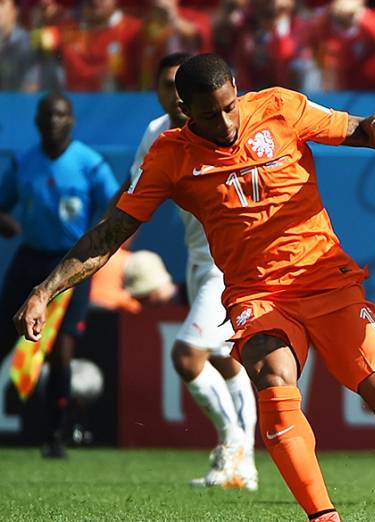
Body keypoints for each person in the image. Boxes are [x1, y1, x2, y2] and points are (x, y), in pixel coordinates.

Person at [14, 53, 375, 522]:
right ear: (184, 109)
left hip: (325, 278)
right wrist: (44, 289)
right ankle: (323, 517)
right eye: (208, 114)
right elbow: (108, 234)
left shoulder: (280, 106)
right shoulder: (169, 155)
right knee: (273, 381)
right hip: (255, 295)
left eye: (229, 106)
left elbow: (354, 128)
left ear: (237, 89)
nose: (224, 122)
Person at [126, 51, 259, 490]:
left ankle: (234, 442)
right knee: (224, 358)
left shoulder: (225, 128)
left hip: (228, 264)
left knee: (187, 356)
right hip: (197, 260)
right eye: (165, 86)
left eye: (175, 85)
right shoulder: (156, 135)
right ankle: (245, 466)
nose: (173, 96)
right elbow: (134, 198)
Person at [0, 92, 118, 458]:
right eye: (46, 116)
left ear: (71, 120)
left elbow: (117, 207)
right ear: (37, 122)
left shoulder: (90, 164)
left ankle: (54, 436)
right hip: (29, 260)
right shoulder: (23, 161)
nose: (53, 122)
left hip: (70, 265)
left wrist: (102, 242)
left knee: (61, 350)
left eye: (60, 115)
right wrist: (4, 222)